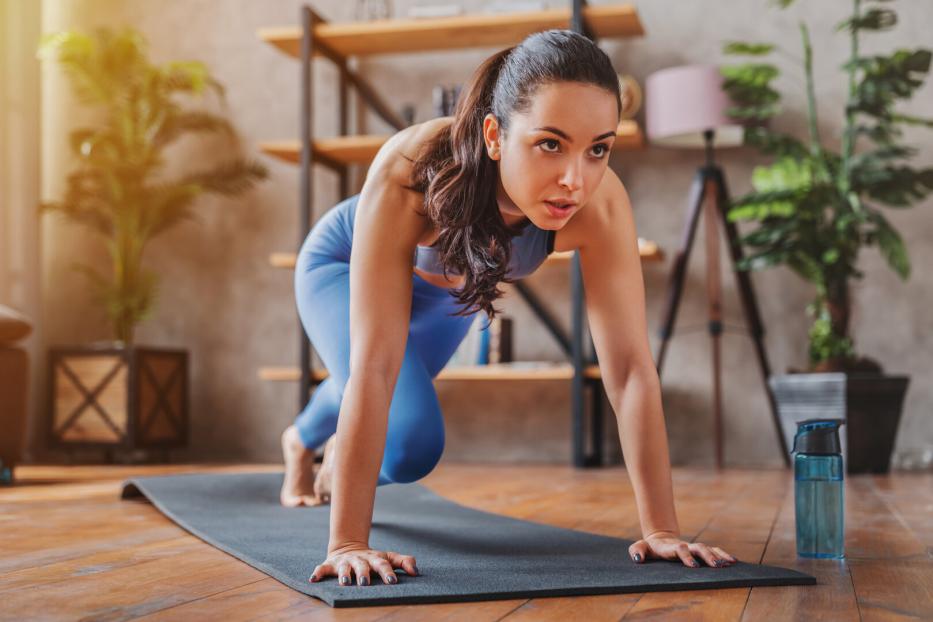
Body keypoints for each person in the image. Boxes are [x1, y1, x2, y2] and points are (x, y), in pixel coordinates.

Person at [280, 29, 738, 588]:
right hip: (341, 269)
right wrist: (348, 543)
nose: (576, 179)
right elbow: (375, 366)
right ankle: (305, 441)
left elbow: (630, 370)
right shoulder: (413, 166)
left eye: (598, 148)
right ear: (495, 135)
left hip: (451, 290)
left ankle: (306, 438)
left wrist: (662, 529)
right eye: (550, 143)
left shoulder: (600, 203)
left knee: (399, 427)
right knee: (410, 444)